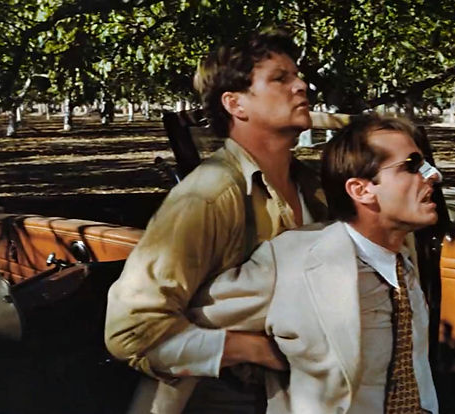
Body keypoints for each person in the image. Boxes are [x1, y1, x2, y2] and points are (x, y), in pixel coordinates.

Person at [104, 28, 328, 412]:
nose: (302, 85)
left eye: (298, 74)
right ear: (236, 104)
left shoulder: (315, 189)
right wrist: (255, 349)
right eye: (280, 78)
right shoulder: (208, 196)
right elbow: (130, 328)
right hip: (224, 398)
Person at [168, 114, 442, 413]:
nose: (434, 176)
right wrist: (254, 352)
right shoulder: (295, 262)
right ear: (361, 190)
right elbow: (176, 330)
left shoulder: (405, 258)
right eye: (412, 166)